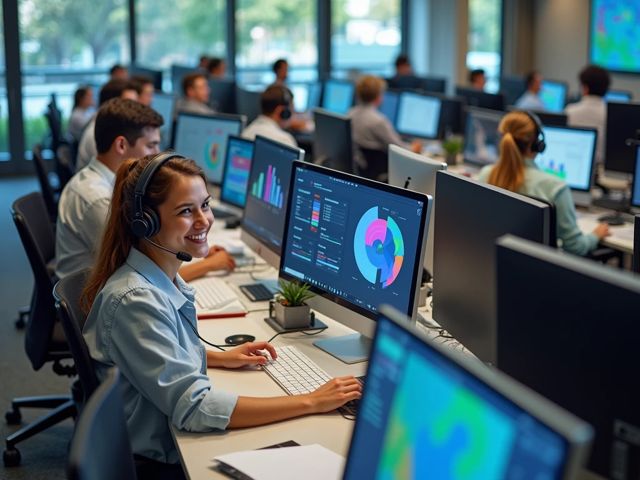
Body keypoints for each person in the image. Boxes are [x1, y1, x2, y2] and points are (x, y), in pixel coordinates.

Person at [80, 153, 362, 478]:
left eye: (205, 204)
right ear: (145, 222)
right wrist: (310, 401)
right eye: (186, 211)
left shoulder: (158, 277)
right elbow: (196, 408)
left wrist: (216, 357)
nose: (204, 220)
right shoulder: (135, 299)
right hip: (157, 465)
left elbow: (159, 356)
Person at [56, 99, 163, 279]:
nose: (157, 154)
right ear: (121, 145)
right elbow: (140, 273)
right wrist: (209, 264)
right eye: (150, 145)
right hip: (91, 299)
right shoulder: (98, 198)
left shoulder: (106, 181)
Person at [477, 111, 609, 256]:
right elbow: (575, 247)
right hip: (536, 271)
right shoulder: (555, 187)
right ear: (537, 145)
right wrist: (595, 235)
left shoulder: (486, 175)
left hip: (496, 266)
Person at [348, 75, 422, 157]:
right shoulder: (378, 121)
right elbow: (399, 148)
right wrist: (414, 148)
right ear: (378, 97)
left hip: (361, 164)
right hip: (380, 167)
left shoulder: (351, 113)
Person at [76, 79, 139, 170]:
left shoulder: (111, 127)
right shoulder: (99, 133)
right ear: (111, 105)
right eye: (129, 104)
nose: (136, 110)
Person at [565, 65, 610, 164]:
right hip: (604, 170)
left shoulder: (569, 111)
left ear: (585, 88)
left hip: (573, 163)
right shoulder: (611, 114)